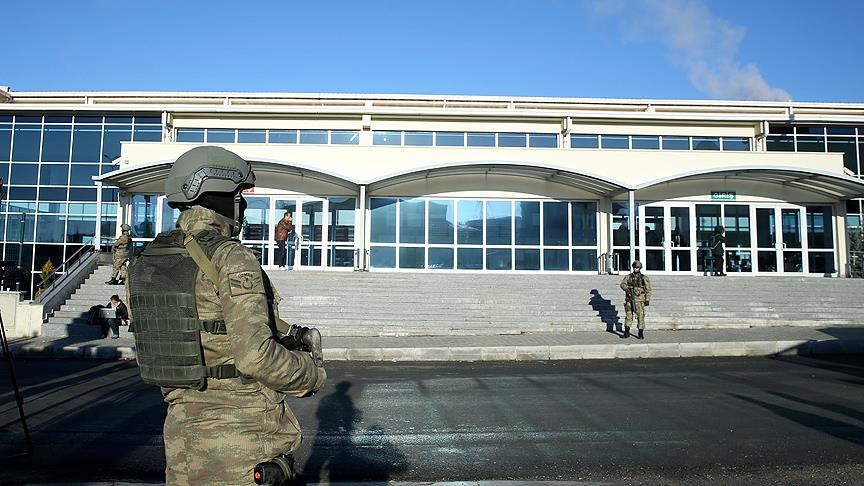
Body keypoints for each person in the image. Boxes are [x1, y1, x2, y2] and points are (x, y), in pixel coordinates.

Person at [127, 146, 326, 484]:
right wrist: (312, 372)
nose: (242, 204)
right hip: (242, 445)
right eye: (238, 195)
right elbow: (255, 358)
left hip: (182, 446)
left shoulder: (146, 261)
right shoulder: (230, 256)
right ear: (216, 194)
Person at [620, 260, 651, 339]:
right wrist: (627, 290)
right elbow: (622, 284)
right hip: (629, 299)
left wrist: (647, 299)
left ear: (640, 268)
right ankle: (627, 332)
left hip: (639, 300)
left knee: (641, 316)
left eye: (637, 267)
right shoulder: (628, 277)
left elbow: (648, 289)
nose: (635, 269)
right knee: (628, 316)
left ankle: (640, 333)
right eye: (634, 267)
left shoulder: (644, 278)